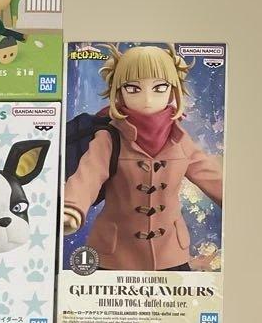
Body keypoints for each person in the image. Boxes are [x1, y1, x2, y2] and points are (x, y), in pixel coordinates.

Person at [63, 44, 223, 271]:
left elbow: (210, 175)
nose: (147, 98)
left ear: (173, 91)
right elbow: (88, 176)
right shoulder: (109, 137)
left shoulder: (180, 140)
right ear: (119, 91)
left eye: (159, 88)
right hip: (115, 254)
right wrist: (72, 208)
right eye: (133, 88)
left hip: (171, 253)